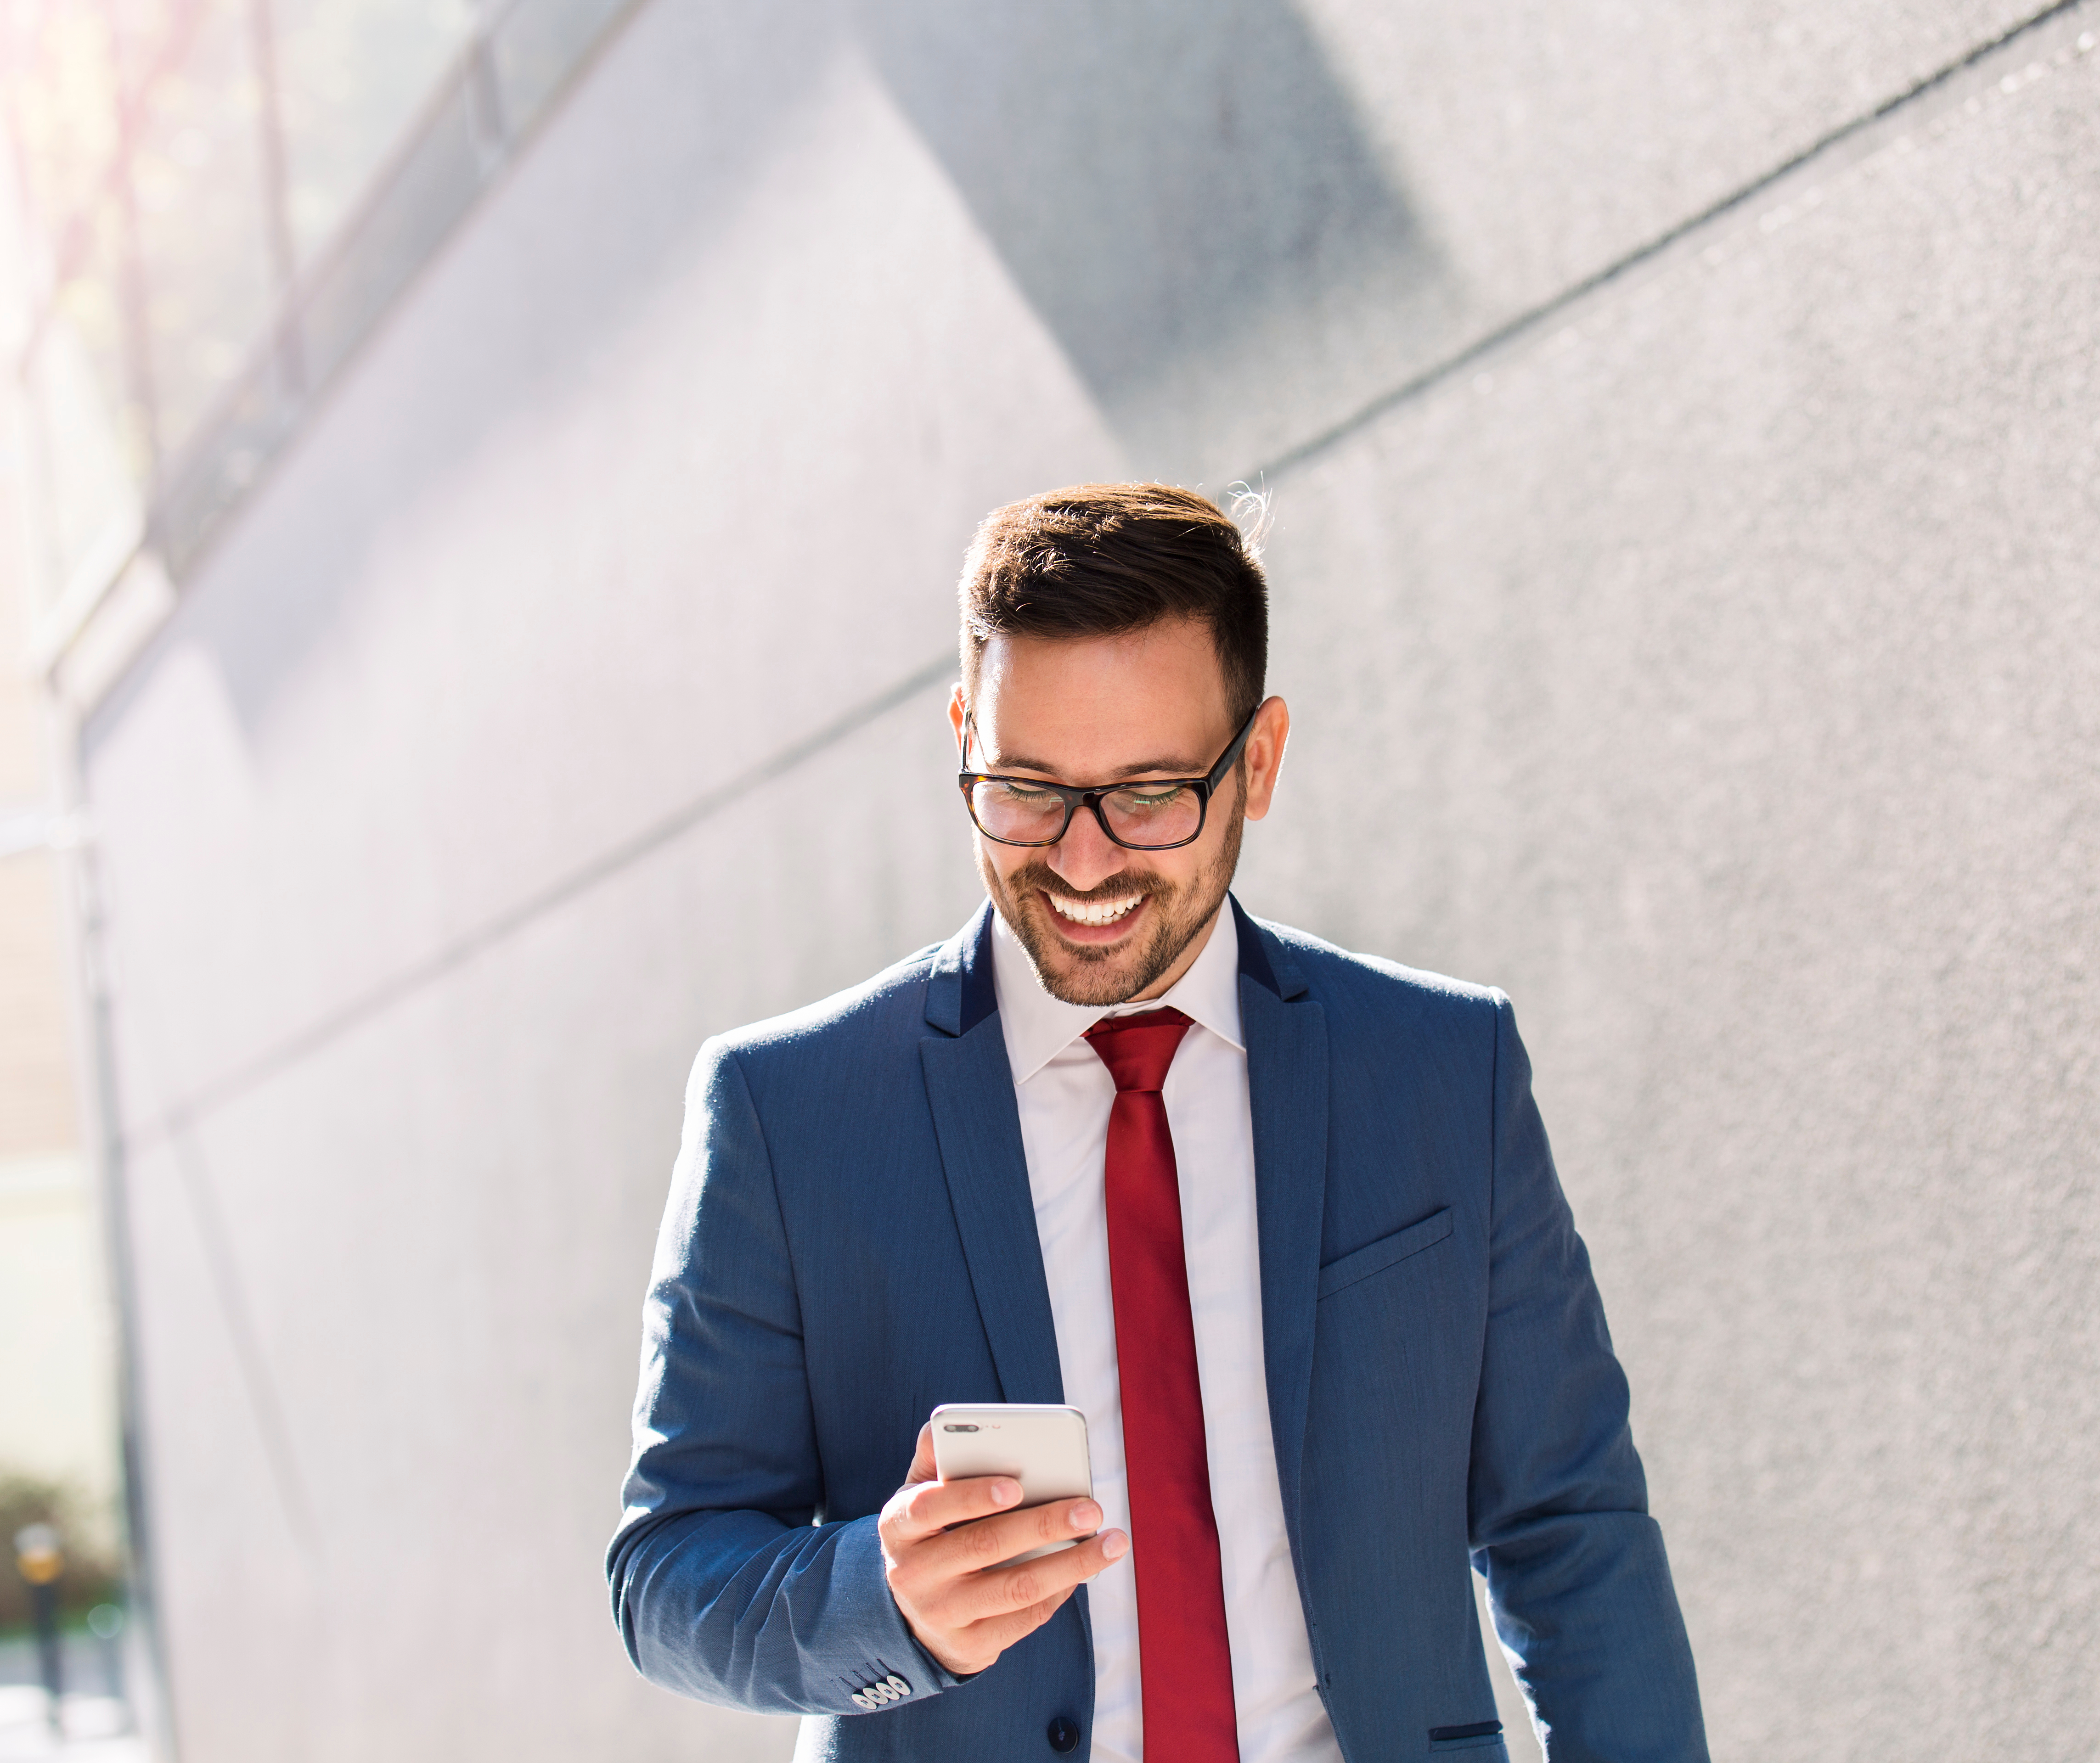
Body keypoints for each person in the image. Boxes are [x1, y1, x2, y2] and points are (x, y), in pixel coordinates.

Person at [608, 484, 1707, 1763]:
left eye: (1147, 797)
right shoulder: (787, 1111)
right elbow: (668, 1575)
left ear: (1259, 760)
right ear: (962, 734)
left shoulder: (1441, 1070)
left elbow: (1571, 1532)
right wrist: (879, 1599)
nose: (1083, 865)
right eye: (1026, 789)